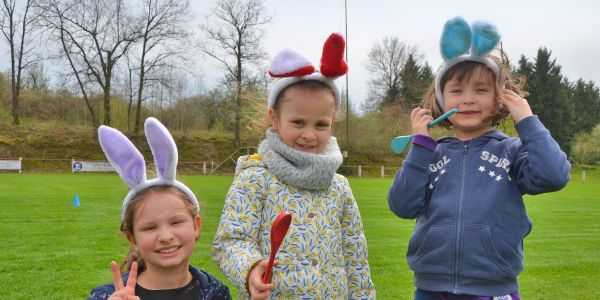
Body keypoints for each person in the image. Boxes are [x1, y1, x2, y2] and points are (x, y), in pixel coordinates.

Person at [388, 17, 570, 299]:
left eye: (482, 90)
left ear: (500, 98)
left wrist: (528, 121)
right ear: (441, 99)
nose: (468, 99)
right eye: (457, 91)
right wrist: (420, 148)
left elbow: (554, 175)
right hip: (431, 289)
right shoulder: (430, 154)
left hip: (494, 288)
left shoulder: (510, 151)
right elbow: (401, 205)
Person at [212, 33, 376, 299]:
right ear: (274, 118)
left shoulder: (340, 187)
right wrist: (250, 267)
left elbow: (356, 259)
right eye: (298, 122)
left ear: (333, 122)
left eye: (321, 124)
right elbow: (230, 241)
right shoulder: (255, 178)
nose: (309, 135)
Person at [87, 117, 231, 300]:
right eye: (149, 227)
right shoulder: (107, 296)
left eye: (176, 222)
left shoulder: (216, 293)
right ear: (133, 239)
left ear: (196, 225)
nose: (165, 236)